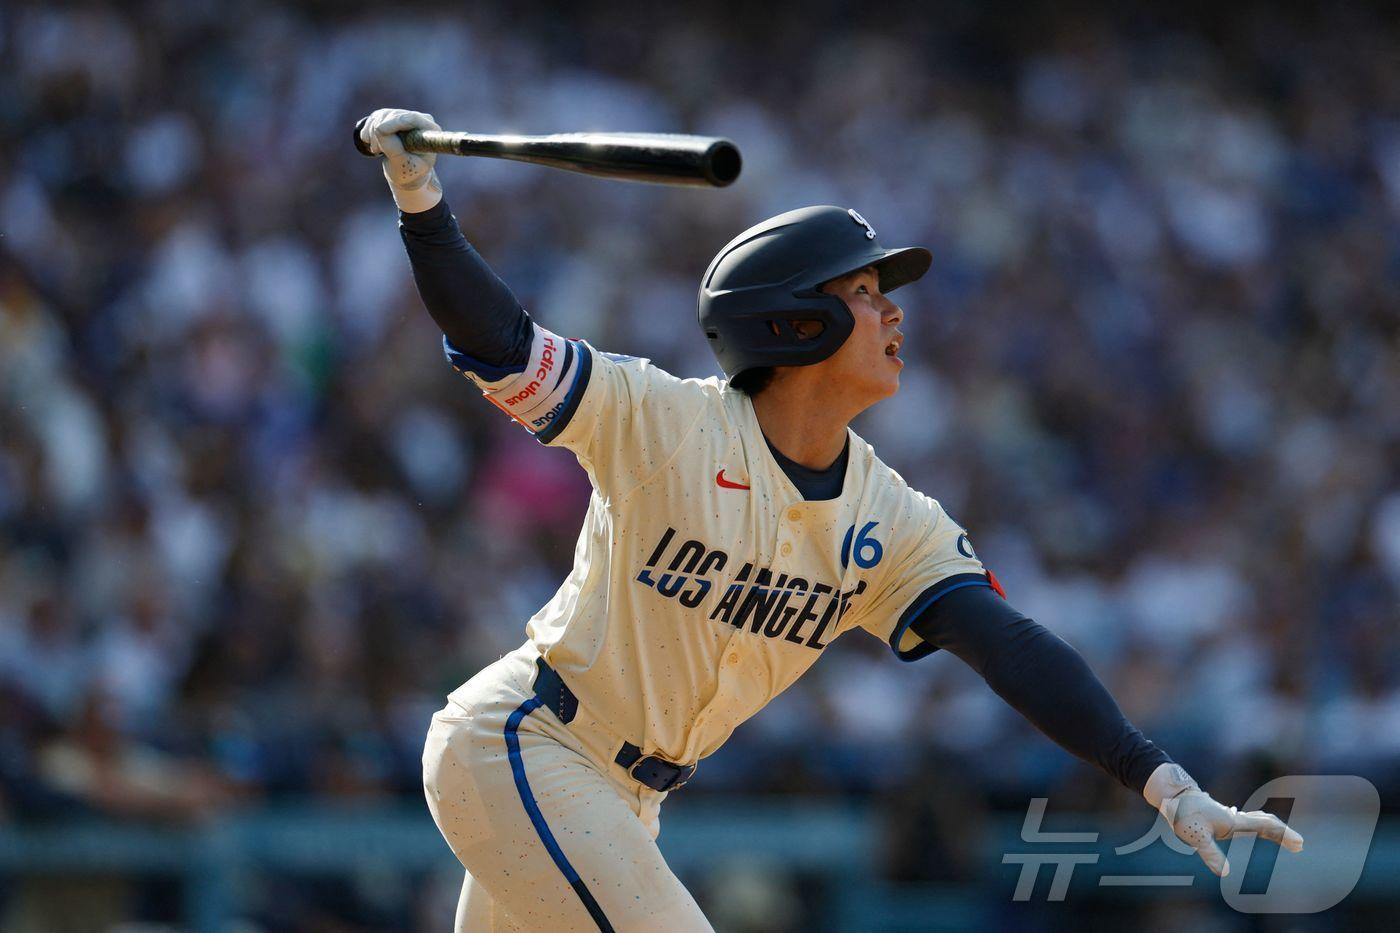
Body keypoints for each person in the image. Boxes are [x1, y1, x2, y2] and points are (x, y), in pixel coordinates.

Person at [358, 108, 1303, 932]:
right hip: (530, 746)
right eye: (863, 292)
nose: (893, 314)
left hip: (627, 802)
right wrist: (421, 206)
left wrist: (1155, 775)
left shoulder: (886, 515)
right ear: (794, 321)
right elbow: (502, 347)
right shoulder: (669, 423)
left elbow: (1007, 645)